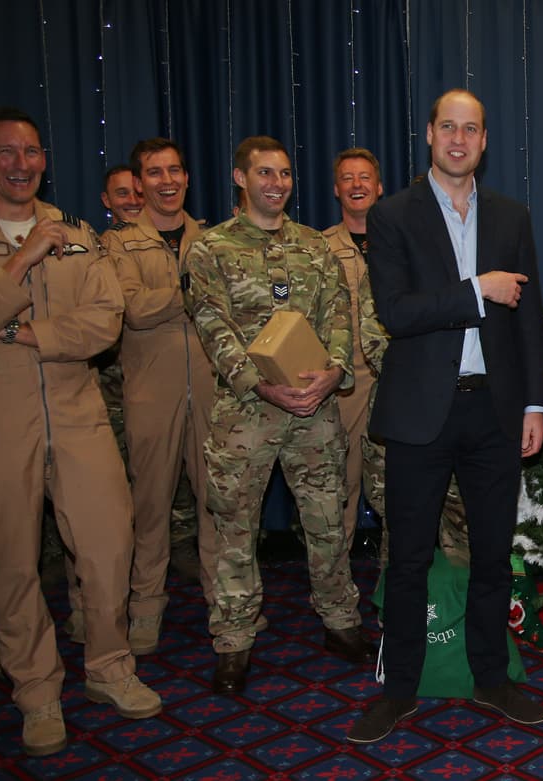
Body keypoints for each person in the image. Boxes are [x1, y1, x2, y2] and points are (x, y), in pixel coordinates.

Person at [348, 89, 543, 743]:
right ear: (429, 134)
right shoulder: (392, 216)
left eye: (471, 129)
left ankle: (491, 677)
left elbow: (529, 321)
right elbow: (397, 311)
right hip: (419, 413)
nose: (458, 140)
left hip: (494, 410)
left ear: (485, 140)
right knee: (407, 559)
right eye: (447, 128)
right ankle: (399, 687)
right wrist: (476, 290)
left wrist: (535, 403)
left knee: (492, 555)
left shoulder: (512, 217)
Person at [0, 106, 161, 756]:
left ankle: (110, 668)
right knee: (10, 561)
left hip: (77, 408)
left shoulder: (78, 235)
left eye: (30, 152)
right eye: (6, 152)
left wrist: (25, 333)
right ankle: (36, 692)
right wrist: (20, 261)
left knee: (109, 545)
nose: (20, 164)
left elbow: (104, 321)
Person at [184, 135, 372, 695]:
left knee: (327, 521)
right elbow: (211, 326)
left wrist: (335, 371)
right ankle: (234, 641)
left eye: (285, 174)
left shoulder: (315, 248)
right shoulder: (210, 248)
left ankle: (340, 622)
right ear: (240, 179)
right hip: (245, 415)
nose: (277, 184)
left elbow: (342, 316)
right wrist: (259, 384)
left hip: (314, 409)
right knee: (234, 530)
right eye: (265, 173)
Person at [102, 138, 218, 652]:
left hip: (213, 393)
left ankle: (226, 604)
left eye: (175, 170)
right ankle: (145, 608)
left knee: (219, 506)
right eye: (154, 173)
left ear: (187, 178)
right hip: (151, 395)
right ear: (140, 182)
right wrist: (193, 292)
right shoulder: (118, 244)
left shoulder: (213, 240)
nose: (166, 181)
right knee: (149, 510)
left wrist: (173, 296)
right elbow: (133, 309)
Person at [323, 148, 384, 571]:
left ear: (379, 188)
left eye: (365, 178)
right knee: (335, 490)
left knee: (399, 494)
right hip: (343, 384)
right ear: (336, 189)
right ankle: (335, 597)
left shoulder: (404, 243)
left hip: (396, 382)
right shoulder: (318, 249)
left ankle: (397, 591)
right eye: (348, 178)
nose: (357, 185)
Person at [100, 163, 143, 229]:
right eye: (123, 194)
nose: (134, 201)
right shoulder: (95, 239)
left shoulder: (162, 238)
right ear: (107, 200)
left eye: (139, 193)